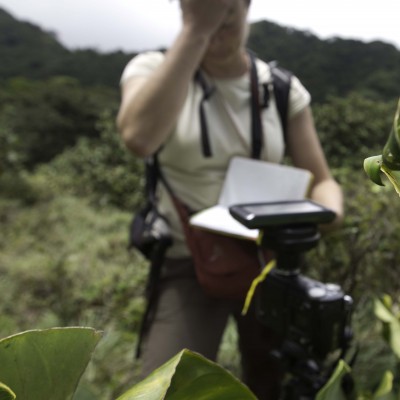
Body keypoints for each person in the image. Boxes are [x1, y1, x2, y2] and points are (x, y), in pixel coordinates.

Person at [117, 0, 344, 398]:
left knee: (272, 379)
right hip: (186, 258)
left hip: (265, 258)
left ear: (246, 7)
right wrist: (195, 32)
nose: (216, 33)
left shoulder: (280, 89)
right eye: (198, 15)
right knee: (167, 386)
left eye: (225, 16)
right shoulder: (152, 70)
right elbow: (138, 138)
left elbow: (322, 180)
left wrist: (326, 214)